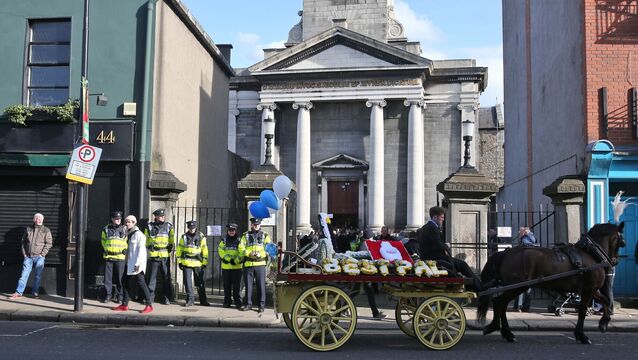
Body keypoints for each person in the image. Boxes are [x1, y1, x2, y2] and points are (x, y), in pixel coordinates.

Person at [417, 206, 484, 291]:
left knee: (460, 265)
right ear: (434, 217)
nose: (443, 220)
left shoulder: (426, 227)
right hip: (434, 258)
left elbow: (433, 243)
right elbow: (438, 244)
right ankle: (479, 288)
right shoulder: (432, 228)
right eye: (441, 217)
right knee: (463, 265)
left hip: (430, 257)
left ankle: (473, 286)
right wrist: (446, 246)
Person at [113, 215, 153, 314]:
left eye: (129, 222)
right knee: (125, 282)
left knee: (141, 283)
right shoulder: (128, 234)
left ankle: (149, 305)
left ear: (134, 223)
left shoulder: (139, 235)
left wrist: (138, 264)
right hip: (129, 263)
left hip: (136, 264)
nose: (127, 223)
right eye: (126, 222)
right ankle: (124, 304)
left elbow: (141, 251)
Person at [10, 213, 52, 299]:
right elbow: (23, 242)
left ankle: (35, 293)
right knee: (24, 275)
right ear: (34, 220)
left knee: (38, 276)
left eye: (40, 218)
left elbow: (49, 243)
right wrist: (24, 254)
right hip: (28, 257)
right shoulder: (28, 229)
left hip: (39, 257)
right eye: (36, 218)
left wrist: (42, 254)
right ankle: (18, 293)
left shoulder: (46, 230)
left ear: (42, 220)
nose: (38, 220)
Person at [240, 217, 271, 313]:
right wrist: (249, 254)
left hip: (260, 264)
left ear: (260, 225)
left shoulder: (265, 235)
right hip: (248, 263)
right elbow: (240, 248)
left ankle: (261, 305)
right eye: (254, 224)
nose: (255, 226)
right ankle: (248, 304)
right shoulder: (245, 235)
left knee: (261, 285)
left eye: (257, 225)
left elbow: (269, 249)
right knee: (248, 285)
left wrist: (260, 254)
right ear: (251, 225)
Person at [176, 220, 210, 307]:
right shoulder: (184, 237)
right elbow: (179, 249)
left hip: (198, 263)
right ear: (188, 228)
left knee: (200, 283)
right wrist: (179, 262)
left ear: (196, 227)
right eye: (190, 228)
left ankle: (203, 300)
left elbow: (204, 249)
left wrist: (204, 262)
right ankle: (190, 300)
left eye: (193, 228)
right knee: (187, 283)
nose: (192, 230)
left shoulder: (201, 236)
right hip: (186, 262)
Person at [144, 208, 175, 305]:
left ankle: (167, 297)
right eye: (160, 216)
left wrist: (170, 247)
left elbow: (171, 239)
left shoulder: (169, 226)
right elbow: (146, 239)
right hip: (154, 255)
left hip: (165, 255)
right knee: (152, 278)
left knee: (166, 278)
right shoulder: (149, 227)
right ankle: (150, 298)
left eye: (163, 216)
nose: (163, 217)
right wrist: (149, 246)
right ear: (156, 217)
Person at [100, 211, 128, 304]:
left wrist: (125, 250)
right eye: (116, 219)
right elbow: (103, 240)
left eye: (119, 219)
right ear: (112, 219)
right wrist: (106, 248)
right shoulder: (106, 229)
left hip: (120, 257)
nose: (118, 220)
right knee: (107, 279)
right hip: (109, 256)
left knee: (120, 279)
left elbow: (127, 241)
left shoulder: (124, 229)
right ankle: (108, 295)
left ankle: (120, 296)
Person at [360, 229, 386, 320]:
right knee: (369, 292)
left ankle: (343, 309)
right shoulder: (366, 245)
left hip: (365, 272)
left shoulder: (365, 244)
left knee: (356, 291)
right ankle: (375, 313)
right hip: (365, 272)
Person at [218, 223, 243, 309]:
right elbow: (221, 251)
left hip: (237, 267)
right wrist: (229, 259)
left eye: (233, 230)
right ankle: (227, 301)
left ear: (235, 231)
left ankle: (237, 301)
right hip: (226, 267)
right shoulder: (224, 240)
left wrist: (236, 261)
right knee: (226, 286)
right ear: (228, 231)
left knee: (237, 287)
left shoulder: (240, 240)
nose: (231, 232)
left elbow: (242, 252)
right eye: (230, 230)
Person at [513, 227, 538, 312]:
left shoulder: (526, 239)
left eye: (520, 231)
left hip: (525, 267)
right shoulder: (524, 239)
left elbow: (533, 241)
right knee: (525, 288)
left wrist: (528, 233)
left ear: (524, 231)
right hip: (526, 267)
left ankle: (520, 306)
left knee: (523, 288)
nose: (519, 233)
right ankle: (521, 306)